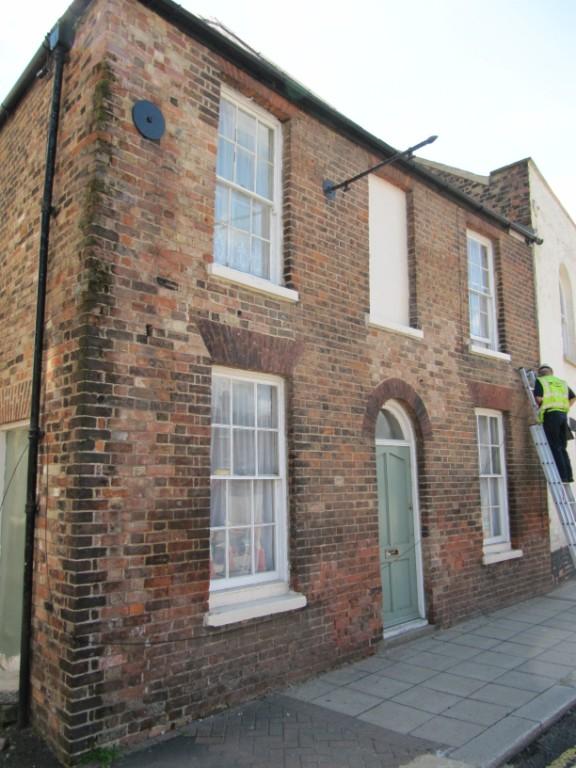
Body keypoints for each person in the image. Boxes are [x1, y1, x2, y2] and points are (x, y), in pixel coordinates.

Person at [533, 364, 576, 483]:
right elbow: (573, 397)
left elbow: (538, 398)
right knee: (562, 447)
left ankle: (561, 476)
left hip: (551, 416)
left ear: (540, 373)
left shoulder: (540, 381)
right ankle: (569, 476)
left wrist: (543, 405)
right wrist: (564, 407)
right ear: (552, 373)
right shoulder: (561, 383)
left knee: (554, 445)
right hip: (563, 416)